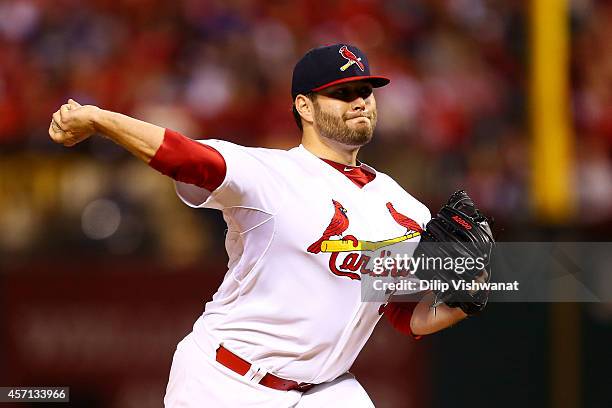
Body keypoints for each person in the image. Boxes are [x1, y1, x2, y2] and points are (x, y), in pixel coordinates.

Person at [49, 44, 469, 407]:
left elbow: (395, 310)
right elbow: (187, 158)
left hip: (325, 390)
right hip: (225, 381)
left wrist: (459, 304)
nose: (360, 101)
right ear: (304, 106)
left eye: (365, 91)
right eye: (342, 93)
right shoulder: (271, 174)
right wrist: (101, 120)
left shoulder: (405, 207)